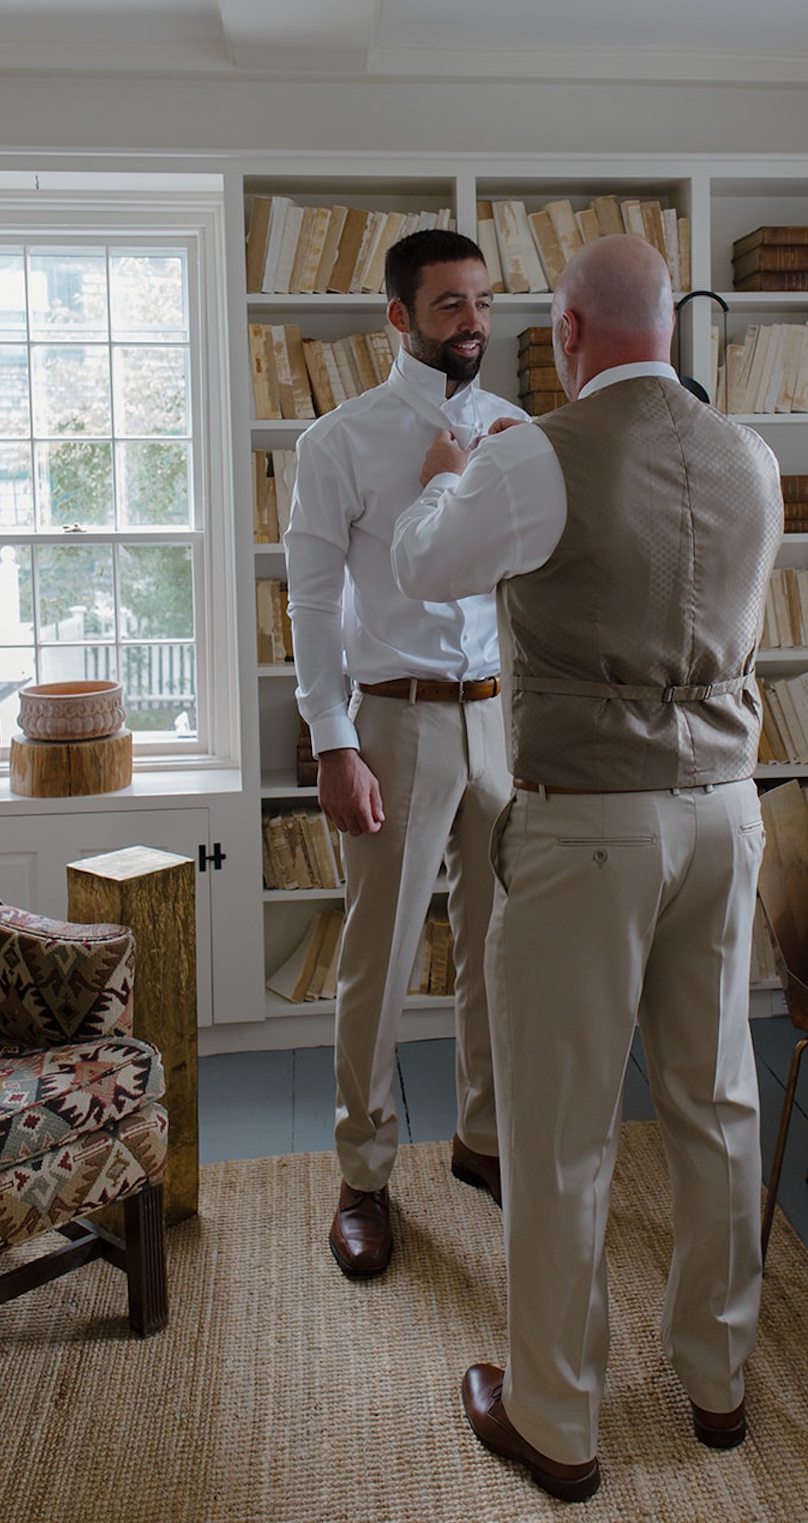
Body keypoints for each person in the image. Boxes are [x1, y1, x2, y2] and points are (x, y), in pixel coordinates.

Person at [391, 235, 783, 1502]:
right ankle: (715, 1382)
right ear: (668, 328)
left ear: (563, 333)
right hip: (725, 812)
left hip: (590, 826)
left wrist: (442, 478)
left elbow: (418, 567)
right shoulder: (753, 459)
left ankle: (556, 1420)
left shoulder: (531, 458)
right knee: (715, 1099)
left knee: (562, 1129)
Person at [284, 228, 524, 1280]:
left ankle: (482, 1138)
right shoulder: (339, 442)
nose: (472, 323)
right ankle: (365, 1175)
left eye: (481, 303)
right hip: (393, 718)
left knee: (501, 949)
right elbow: (310, 600)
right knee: (375, 960)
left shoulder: (518, 433)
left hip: (501, 722)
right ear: (397, 316)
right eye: (447, 306)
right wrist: (334, 742)